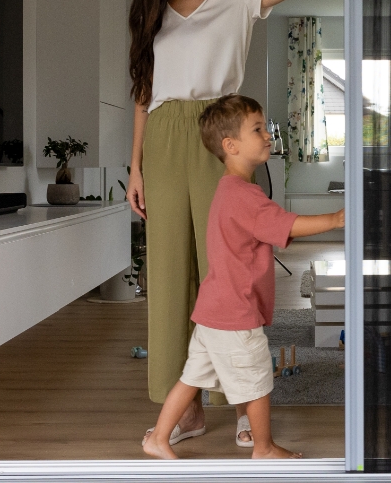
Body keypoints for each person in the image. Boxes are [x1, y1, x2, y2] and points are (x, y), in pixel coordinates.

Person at [126, 0, 342, 446]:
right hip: (164, 140)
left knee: (228, 269)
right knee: (172, 274)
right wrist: (135, 167)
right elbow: (144, 94)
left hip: (216, 133)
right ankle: (189, 408)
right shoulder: (150, 11)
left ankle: (245, 406)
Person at [143, 94, 344, 459]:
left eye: (265, 127)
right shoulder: (246, 197)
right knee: (257, 381)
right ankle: (263, 448)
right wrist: (334, 220)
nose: (267, 135)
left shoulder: (226, 189)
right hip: (236, 313)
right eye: (257, 129)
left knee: (192, 378)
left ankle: (158, 438)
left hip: (213, 309)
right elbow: (287, 225)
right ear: (230, 146)